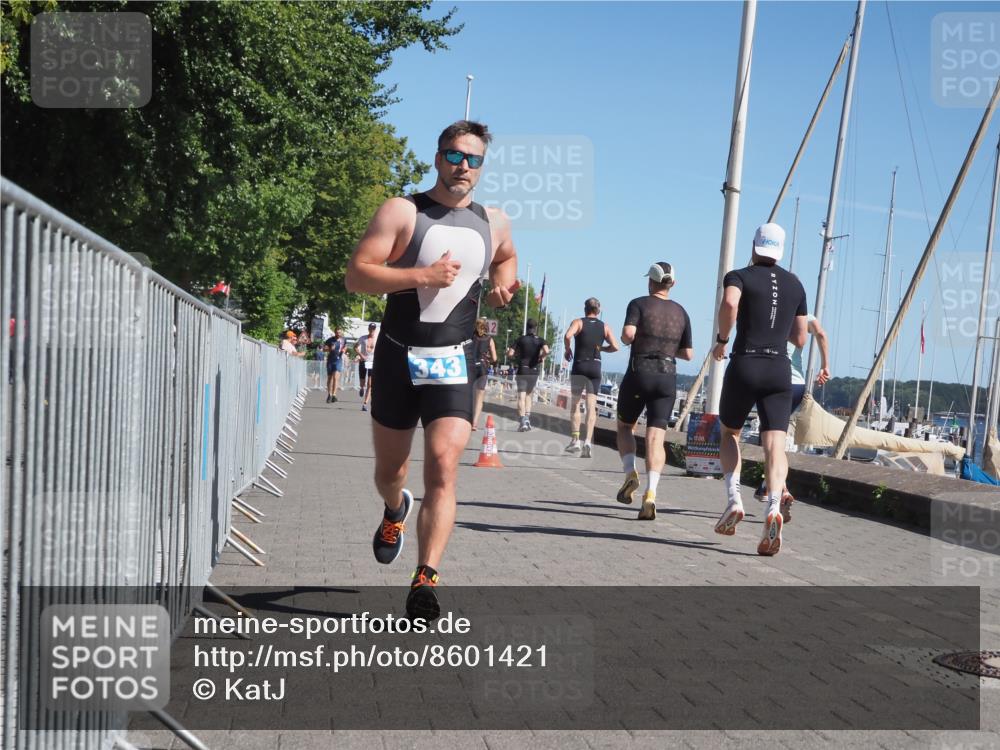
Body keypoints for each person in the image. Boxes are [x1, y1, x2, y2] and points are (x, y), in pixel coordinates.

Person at [344, 120, 517, 620]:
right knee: (389, 473)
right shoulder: (404, 211)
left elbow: (506, 259)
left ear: (483, 166)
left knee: (443, 465)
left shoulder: (495, 221)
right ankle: (395, 509)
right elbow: (357, 275)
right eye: (454, 156)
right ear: (438, 156)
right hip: (398, 357)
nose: (463, 167)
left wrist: (506, 284)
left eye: (473, 159)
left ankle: (426, 580)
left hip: (454, 360)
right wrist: (421, 275)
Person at [712, 223, 808, 556]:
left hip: (746, 362)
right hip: (779, 369)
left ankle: (734, 498)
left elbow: (729, 304)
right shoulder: (796, 284)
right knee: (775, 445)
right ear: (780, 251)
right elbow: (800, 338)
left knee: (730, 433)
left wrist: (722, 340)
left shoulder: (738, 275)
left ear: (755, 246)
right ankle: (772, 508)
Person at [615, 263, 694, 520]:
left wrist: (630, 338)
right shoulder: (681, 313)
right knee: (656, 439)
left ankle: (630, 473)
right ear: (673, 284)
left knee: (625, 426)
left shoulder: (638, 304)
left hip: (641, 372)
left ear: (651, 281)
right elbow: (688, 354)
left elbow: (628, 334)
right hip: (667, 376)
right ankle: (651, 493)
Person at [753, 314, 831, 517]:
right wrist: (825, 365)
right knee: (776, 439)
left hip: (775, 380)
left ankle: (780, 489)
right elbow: (821, 334)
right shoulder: (807, 318)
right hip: (797, 385)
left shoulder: (772, 311)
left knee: (771, 440)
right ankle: (768, 485)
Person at [563, 298, 619, 458]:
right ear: (598, 310)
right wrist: (602, 349)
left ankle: (575, 441)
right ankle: (588, 441)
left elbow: (567, 335)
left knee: (575, 405)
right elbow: (615, 346)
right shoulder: (605, 327)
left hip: (580, 365)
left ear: (585, 309)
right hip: (595, 367)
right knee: (591, 406)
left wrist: (568, 350)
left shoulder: (578, 322)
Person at [508, 319, 549, 432]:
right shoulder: (540, 340)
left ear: (527, 327)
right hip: (533, 370)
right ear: (535, 328)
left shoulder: (521, 339)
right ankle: (527, 418)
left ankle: (522, 421)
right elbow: (547, 350)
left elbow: (510, 353)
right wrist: (541, 357)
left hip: (523, 369)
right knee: (529, 396)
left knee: (521, 396)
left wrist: (514, 354)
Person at [471, 318, 498, 430]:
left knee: (468, 395)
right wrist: (490, 360)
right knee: (479, 397)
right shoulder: (489, 339)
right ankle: (474, 423)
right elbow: (495, 358)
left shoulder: (470, 336)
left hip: (470, 366)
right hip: (482, 368)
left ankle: (466, 419)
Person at [355, 323, 378, 412]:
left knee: (370, 384)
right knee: (362, 383)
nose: (372, 330)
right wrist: (361, 355)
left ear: (375, 330)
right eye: (371, 328)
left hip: (372, 362)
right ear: (368, 329)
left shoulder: (377, 339)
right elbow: (355, 347)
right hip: (363, 361)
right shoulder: (363, 338)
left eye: (373, 329)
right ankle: (361, 388)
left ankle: (365, 403)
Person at [324, 328, 348, 403]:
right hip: (330, 360)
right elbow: (324, 349)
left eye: (340, 332)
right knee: (330, 378)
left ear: (341, 333)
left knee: (335, 378)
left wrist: (344, 349)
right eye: (337, 332)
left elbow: (345, 346)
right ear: (335, 333)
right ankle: (329, 394)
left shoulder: (344, 339)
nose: (338, 334)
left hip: (338, 360)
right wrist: (330, 349)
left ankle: (334, 395)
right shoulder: (330, 340)